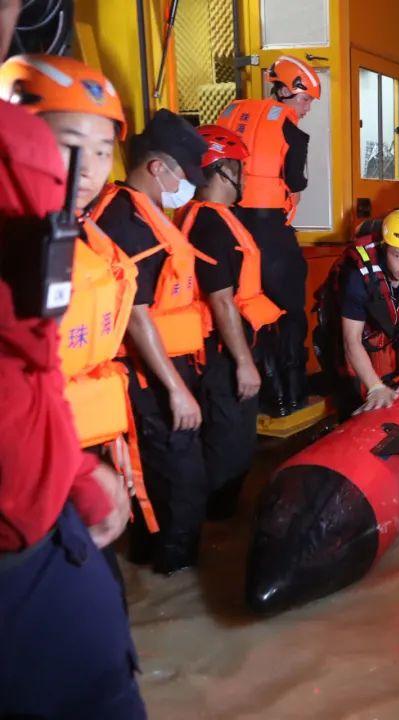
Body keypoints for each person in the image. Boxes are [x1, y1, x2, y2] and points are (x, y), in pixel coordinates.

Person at [0, 44, 144, 720]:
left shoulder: (62, 242)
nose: (87, 169)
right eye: (66, 144)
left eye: (101, 147)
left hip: (62, 485)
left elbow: (35, 378)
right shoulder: (20, 243)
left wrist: (80, 474)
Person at [89, 109, 212, 575]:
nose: (188, 186)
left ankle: (158, 571)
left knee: (171, 477)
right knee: (178, 482)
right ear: (157, 167)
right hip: (150, 375)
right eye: (183, 174)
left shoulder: (141, 209)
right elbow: (137, 316)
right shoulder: (125, 218)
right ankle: (174, 579)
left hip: (168, 364)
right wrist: (176, 390)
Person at [175, 125, 283, 521]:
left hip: (214, 348)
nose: (244, 175)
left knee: (223, 439)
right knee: (230, 444)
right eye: (239, 167)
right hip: (222, 355)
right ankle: (218, 525)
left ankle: (214, 521)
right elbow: (221, 302)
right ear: (223, 170)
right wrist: (244, 362)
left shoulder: (199, 217)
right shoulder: (211, 224)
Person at [218, 54, 320, 417]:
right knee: (290, 312)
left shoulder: (231, 113)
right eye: (306, 99)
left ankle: (261, 395)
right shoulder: (292, 129)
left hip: (229, 228)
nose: (307, 108)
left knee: (248, 310)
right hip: (271, 234)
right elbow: (296, 181)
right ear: (289, 92)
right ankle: (289, 397)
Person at [315, 208, 399, 416]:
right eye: (397, 255)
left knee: (394, 373)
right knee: (352, 394)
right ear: (385, 248)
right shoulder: (357, 275)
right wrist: (375, 387)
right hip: (344, 332)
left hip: (383, 333)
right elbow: (351, 340)